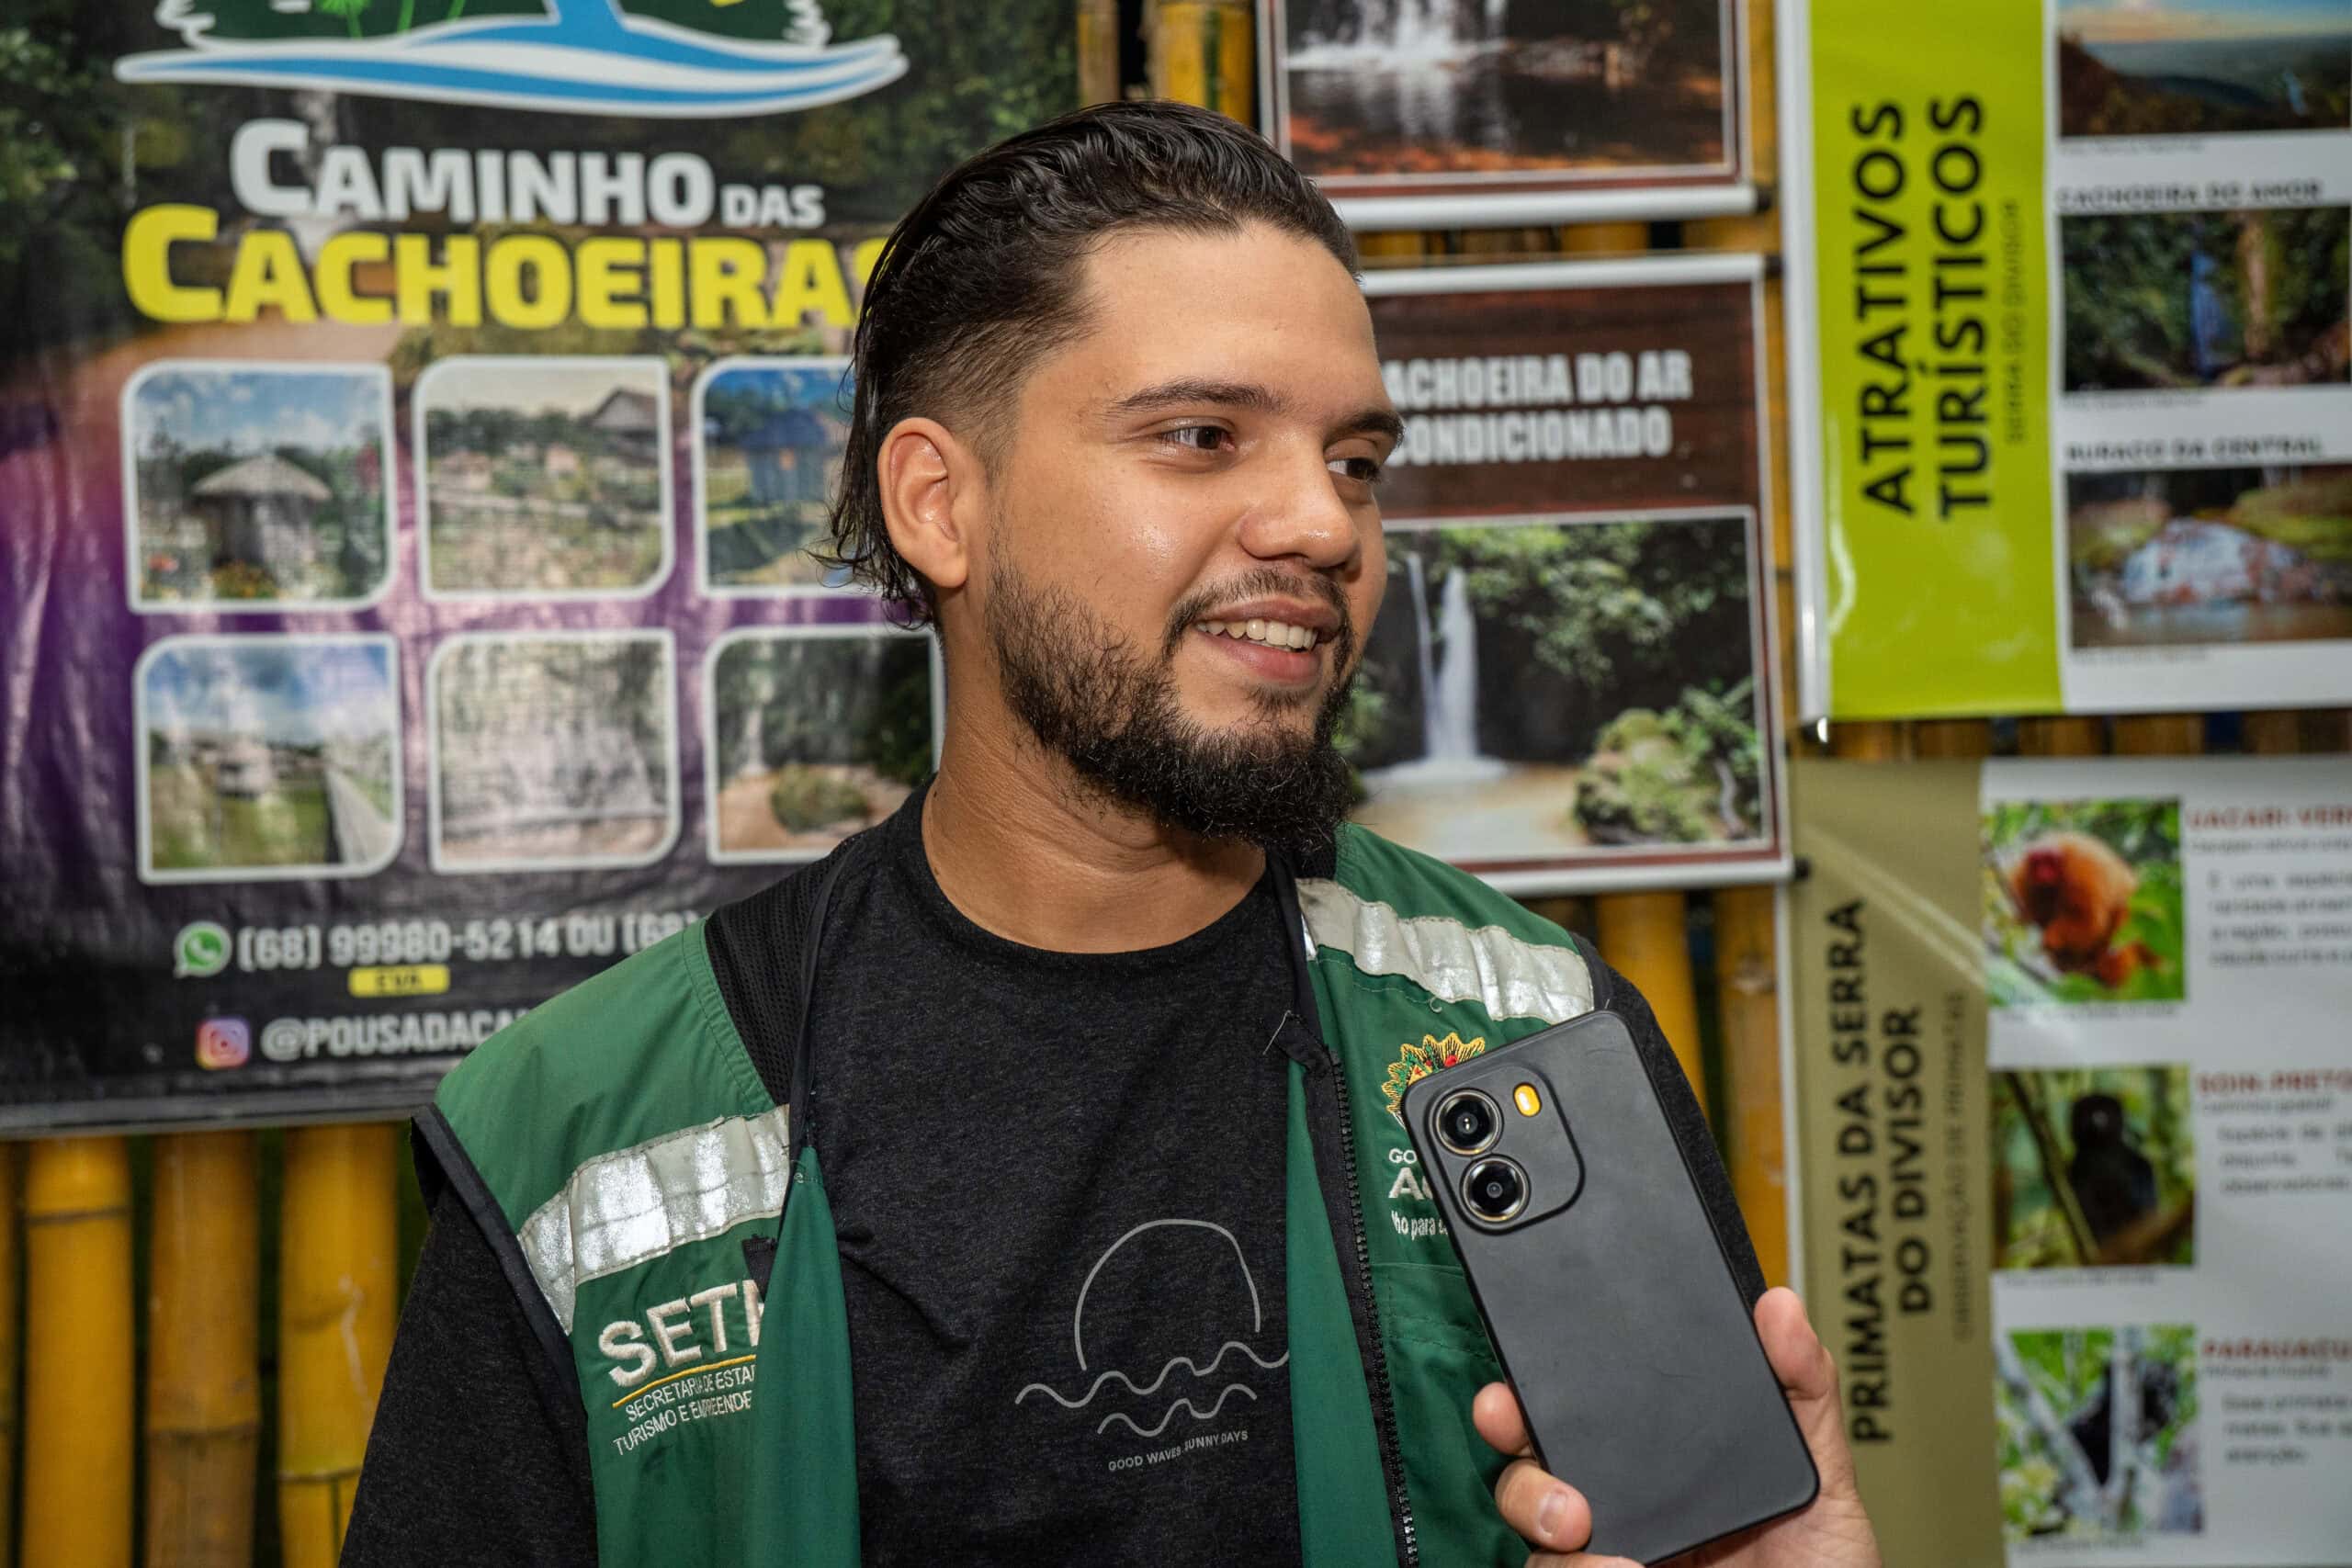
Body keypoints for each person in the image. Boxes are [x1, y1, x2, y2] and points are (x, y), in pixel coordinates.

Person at [345, 100, 1883, 1568]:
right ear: (939, 505)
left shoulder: (1523, 1035)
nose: (1325, 525)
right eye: (1204, 436)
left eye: (1356, 463)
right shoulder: (592, 1133)